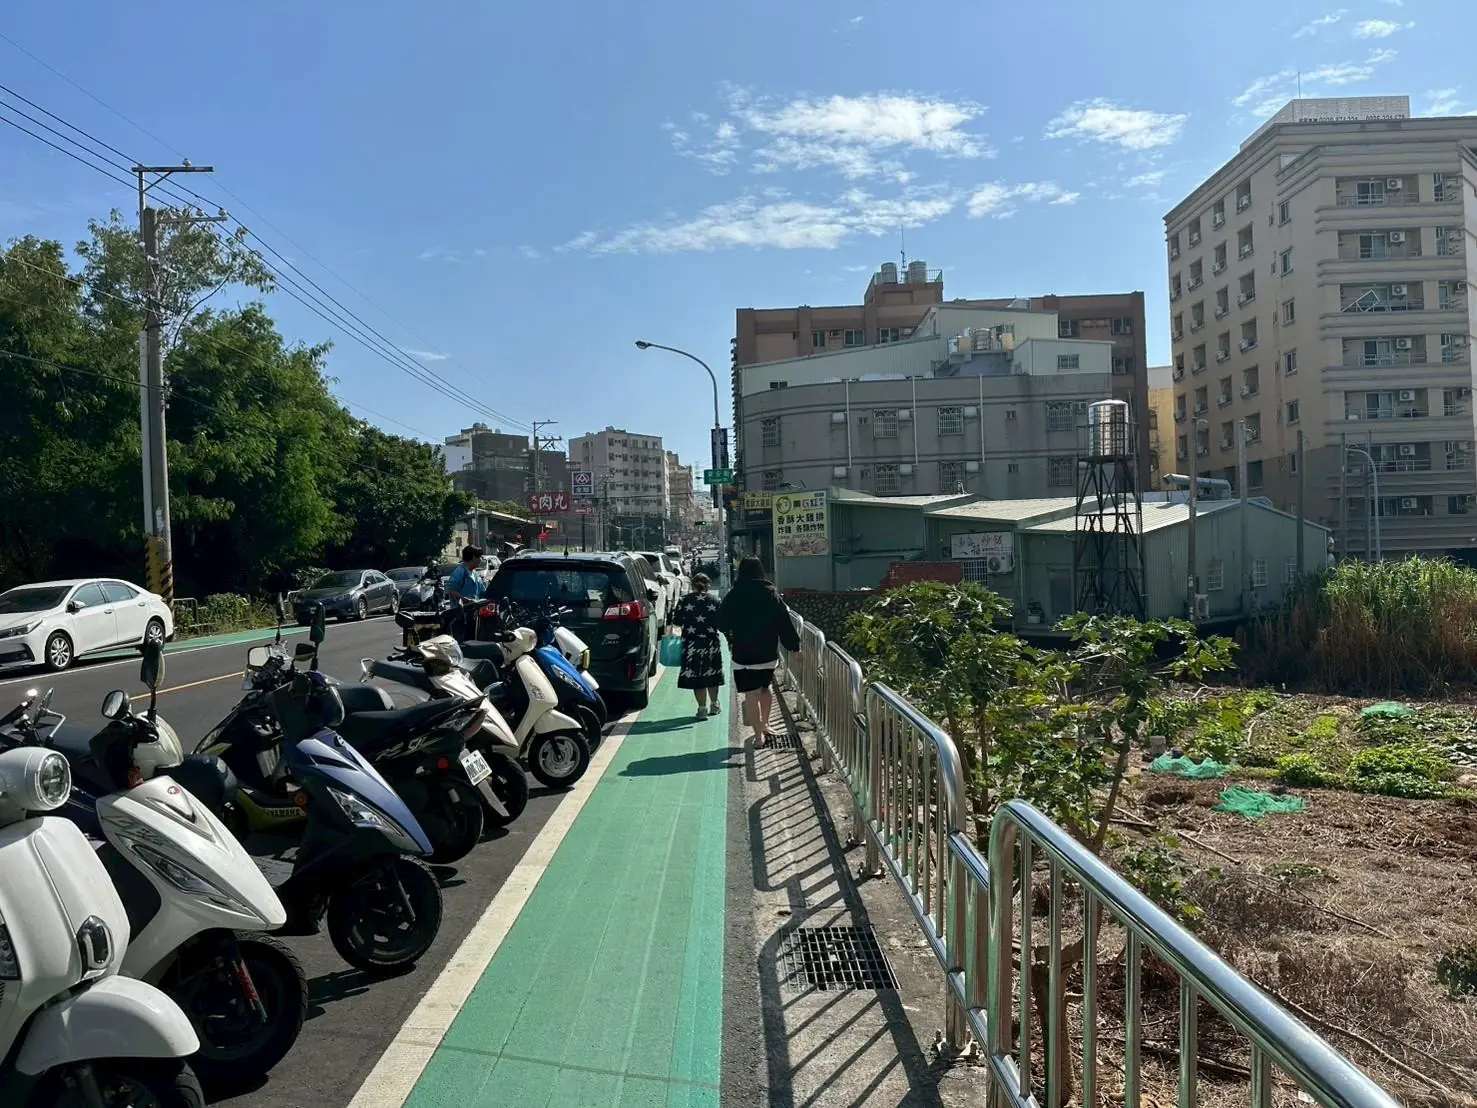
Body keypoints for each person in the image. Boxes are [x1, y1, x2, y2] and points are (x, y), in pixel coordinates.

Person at [716, 556, 801, 748]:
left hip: (743, 653)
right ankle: (765, 724)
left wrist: (733, 631)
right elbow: (783, 621)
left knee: (751, 694)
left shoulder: (735, 594)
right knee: (765, 688)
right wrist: (795, 647)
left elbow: (721, 622)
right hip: (767, 651)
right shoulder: (770, 592)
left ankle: (758, 736)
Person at [671, 573, 724, 718]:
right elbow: (721, 623)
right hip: (711, 643)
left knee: (697, 677)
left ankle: (702, 709)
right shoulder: (715, 600)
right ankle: (715, 705)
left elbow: (676, 621)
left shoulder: (684, 600)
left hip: (691, 643)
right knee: (712, 674)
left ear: (693, 585)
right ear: (708, 585)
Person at [445, 545, 486, 640]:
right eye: (480, 557)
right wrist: (464, 600)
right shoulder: (460, 572)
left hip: (473, 614)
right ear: (473, 557)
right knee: (463, 641)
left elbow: (483, 591)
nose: (481, 559)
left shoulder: (474, 573)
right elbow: (451, 590)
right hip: (461, 616)